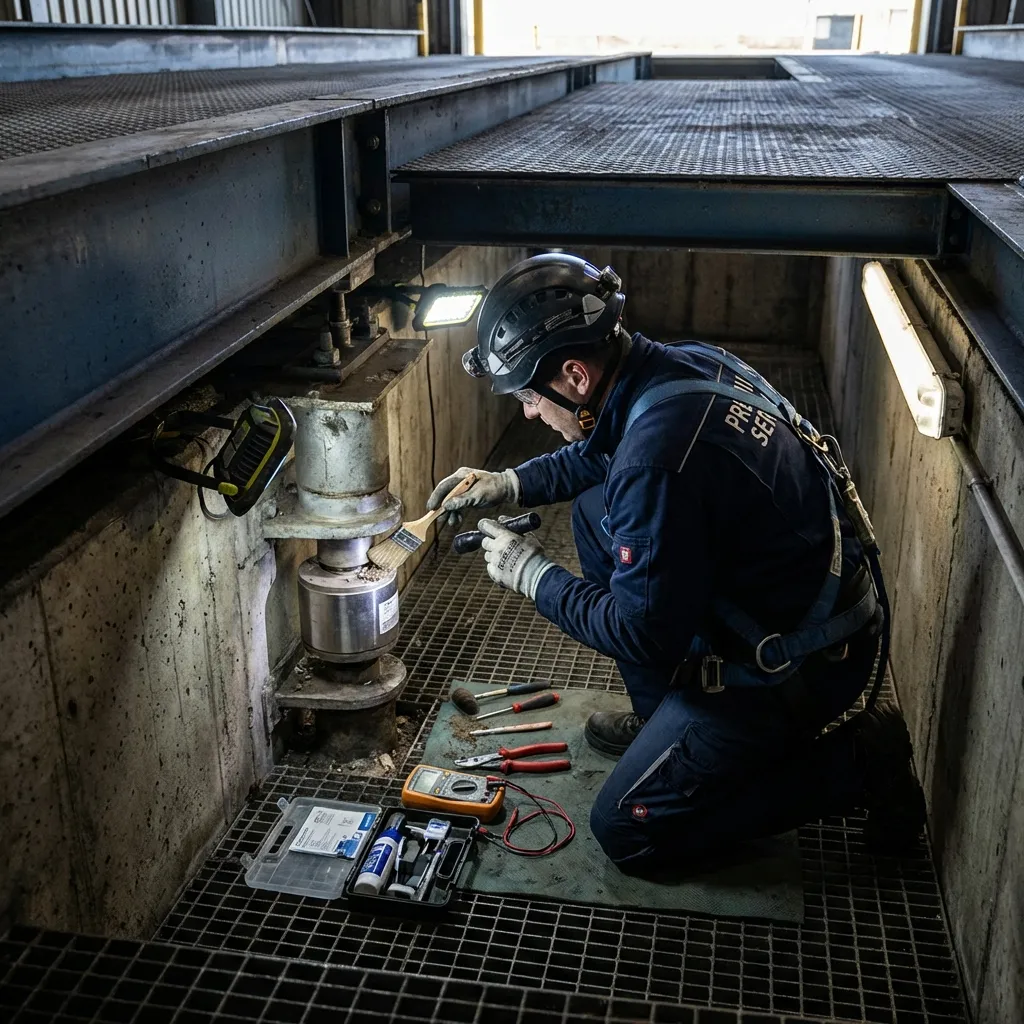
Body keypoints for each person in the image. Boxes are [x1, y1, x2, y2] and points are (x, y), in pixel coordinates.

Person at [427, 252, 926, 874]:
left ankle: (857, 764)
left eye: (529, 396)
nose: (528, 412)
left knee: (627, 833)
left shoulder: (655, 459)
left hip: (793, 668)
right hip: (809, 607)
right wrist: (509, 482)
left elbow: (643, 629)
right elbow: (601, 450)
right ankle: (663, 721)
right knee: (591, 509)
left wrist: (532, 574)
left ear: (575, 377)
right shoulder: (671, 367)